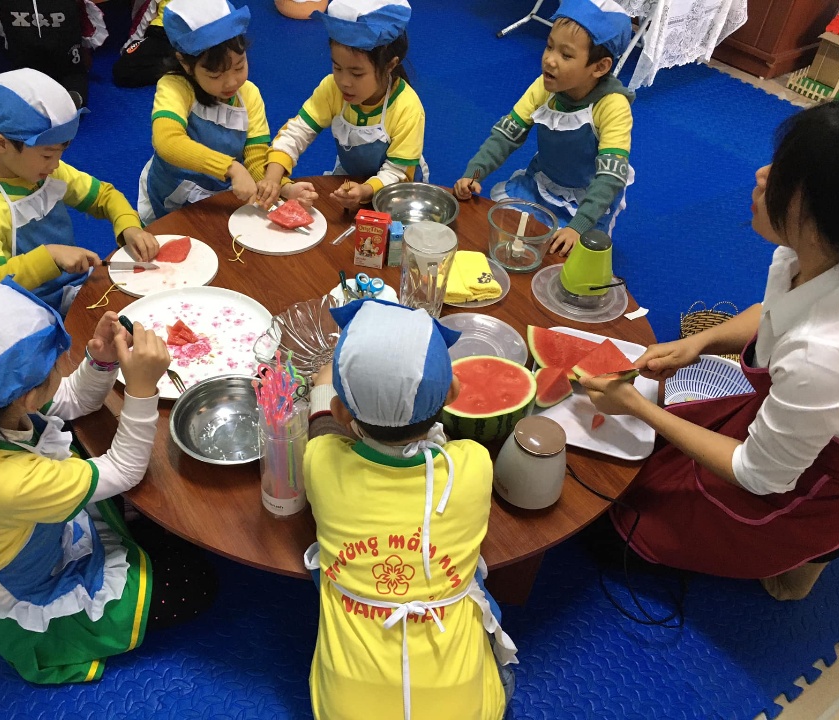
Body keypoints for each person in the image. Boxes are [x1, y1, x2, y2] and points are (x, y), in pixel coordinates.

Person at [578, 100, 839, 601]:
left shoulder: (826, 357)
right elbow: (775, 309)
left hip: (823, 472)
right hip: (811, 407)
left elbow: (760, 475)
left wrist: (638, 408)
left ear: (824, 213)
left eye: (783, 174)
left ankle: (807, 557)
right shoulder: (824, 255)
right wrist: (700, 341)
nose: (761, 175)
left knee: (610, 536)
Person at [0, 279, 217, 684]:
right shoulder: (13, 482)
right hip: (26, 586)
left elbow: (70, 400)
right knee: (196, 582)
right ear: (27, 398)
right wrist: (142, 389)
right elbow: (126, 469)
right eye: (57, 361)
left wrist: (101, 360)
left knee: (127, 497)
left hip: (5, 535)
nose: (63, 362)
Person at [303, 299, 517, 720]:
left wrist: (323, 386)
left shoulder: (320, 462)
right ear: (452, 394)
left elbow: (323, 430)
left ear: (341, 411)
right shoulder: (474, 465)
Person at [0, 69, 159, 316]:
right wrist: (50, 256)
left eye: (60, 154)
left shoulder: (47, 172)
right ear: (1, 144)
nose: (55, 165)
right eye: (47, 155)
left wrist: (128, 226)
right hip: (25, 310)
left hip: (73, 287)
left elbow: (104, 196)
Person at [453, 0, 634, 256]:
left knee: (568, 256)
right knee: (509, 230)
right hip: (541, 184)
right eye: (549, 46)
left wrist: (578, 227)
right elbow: (505, 136)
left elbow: (610, 177)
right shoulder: (543, 86)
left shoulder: (613, 106)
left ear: (600, 67)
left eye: (566, 55)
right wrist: (473, 174)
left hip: (589, 201)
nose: (549, 60)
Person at [257, 0, 426, 212]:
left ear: (390, 65)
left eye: (357, 73)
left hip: (395, 192)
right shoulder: (332, 89)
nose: (344, 82)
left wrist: (365, 191)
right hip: (350, 181)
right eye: (337, 68)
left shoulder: (407, 108)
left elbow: (397, 171)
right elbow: (297, 132)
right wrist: (273, 178)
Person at [137, 0, 279, 224]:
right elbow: (167, 141)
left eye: (239, 66)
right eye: (215, 75)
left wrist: (272, 186)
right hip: (171, 196)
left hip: (220, 196)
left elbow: (255, 153)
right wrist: (230, 167)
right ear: (186, 64)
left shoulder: (249, 94)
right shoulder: (175, 87)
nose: (231, 82)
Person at [0, 0, 108, 108]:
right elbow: (90, 24)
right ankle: (69, 100)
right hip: (58, 58)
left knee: (72, 76)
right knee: (73, 76)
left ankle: (69, 99)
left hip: (30, 58)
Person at [113, 0, 175, 88]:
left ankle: (179, 66)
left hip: (186, 34)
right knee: (123, 70)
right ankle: (176, 66)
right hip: (161, 30)